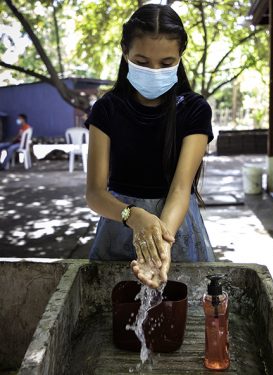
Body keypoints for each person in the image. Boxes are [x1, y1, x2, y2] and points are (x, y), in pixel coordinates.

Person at [85, 4, 214, 289]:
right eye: (142, 62)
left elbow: (181, 188)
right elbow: (94, 193)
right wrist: (133, 216)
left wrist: (159, 244)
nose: (154, 70)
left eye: (166, 63)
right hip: (118, 225)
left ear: (180, 58)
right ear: (125, 52)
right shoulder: (106, 110)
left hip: (176, 228)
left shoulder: (194, 110)